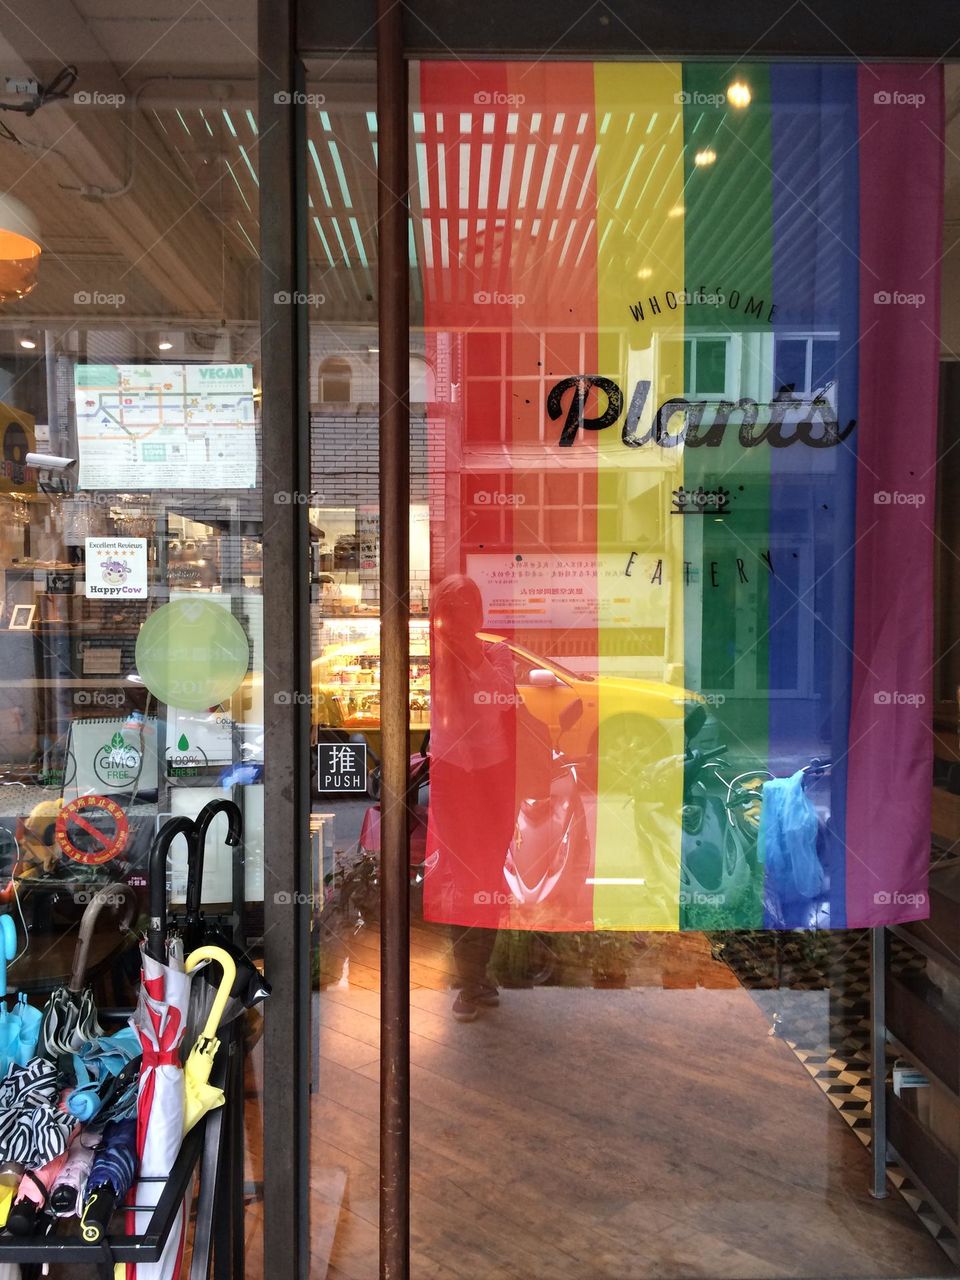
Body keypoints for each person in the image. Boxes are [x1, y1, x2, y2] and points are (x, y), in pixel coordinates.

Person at [425, 575, 525, 1021]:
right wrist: (451, 650)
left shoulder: (495, 651)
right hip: (452, 778)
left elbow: (504, 699)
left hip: (494, 777)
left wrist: (472, 653)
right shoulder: (433, 656)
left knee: (488, 877)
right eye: (453, 609)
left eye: (469, 607)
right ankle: (469, 981)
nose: (463, 617)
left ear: (479, 613)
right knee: (460, 876)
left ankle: (477, 973)